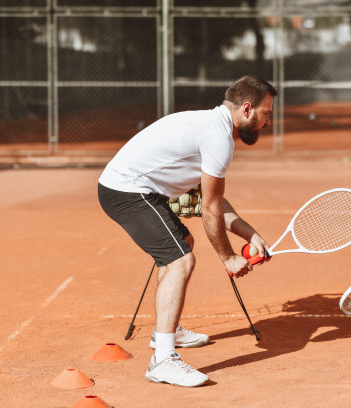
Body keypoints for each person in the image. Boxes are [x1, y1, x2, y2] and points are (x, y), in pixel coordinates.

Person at [97, 75, 277, 386]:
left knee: (183, 243)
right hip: (128, 190)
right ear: (247, 109)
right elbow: (209, 209)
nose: (268, 122)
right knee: (181, 259)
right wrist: (228, 257)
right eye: (267, 113)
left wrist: (250, 234)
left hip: (134, 187)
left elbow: (213, 201)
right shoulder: (218, 138)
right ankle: (162, 360)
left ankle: (165, 330)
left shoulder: (208, 124)